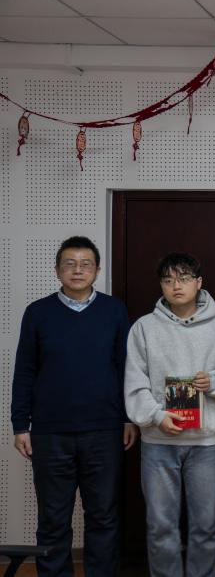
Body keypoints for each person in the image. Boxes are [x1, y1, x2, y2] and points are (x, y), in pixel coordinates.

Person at [11, 235, 139, 576]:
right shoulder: (38, 313)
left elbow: (125, 367)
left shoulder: (114, 310)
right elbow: (24, 371)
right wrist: (20, 425)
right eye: (70, 264)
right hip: (51, 433)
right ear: (57, 270)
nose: (77, 270)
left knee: (103, 516)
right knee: (53, 518)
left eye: (85, 264)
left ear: (97, 270)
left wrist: (128, 418)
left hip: (104, 431)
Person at [123, 252, 215, 577]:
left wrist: (214, 381)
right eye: (168, 280)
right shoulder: (144, 328)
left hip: (206, 443)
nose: (176, 286)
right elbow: (134, 381)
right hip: (158, 442)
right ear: (161, 285)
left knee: (206, 524)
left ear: (198, 282)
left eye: (184, 278)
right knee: (161, 526)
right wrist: (156, 416)